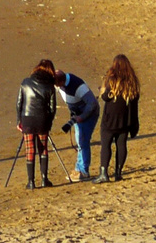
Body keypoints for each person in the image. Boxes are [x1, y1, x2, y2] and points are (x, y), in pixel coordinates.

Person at [51, 62, 101, 182]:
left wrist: (82, 117)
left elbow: (92, 103)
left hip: (88, 114)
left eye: (57, 85)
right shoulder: (60, 83)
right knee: (80, 141)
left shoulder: (78, 86)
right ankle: (79, 168)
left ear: (61, 83)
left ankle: (83, 171)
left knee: (83, 140)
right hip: (77, 113)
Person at [94, 54, 140, 182]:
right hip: (125, 119)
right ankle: (118, 173)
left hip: (110, 118)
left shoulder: (112, 79)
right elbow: (135, 102)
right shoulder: (132, 82)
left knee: (106, 144)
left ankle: (104, 173)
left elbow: (105, 97)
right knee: (121, 145)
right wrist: (134, 123)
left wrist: (102, 90)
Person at [17, 60, 59, 188]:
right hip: (42, 120)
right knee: (43, 148)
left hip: (27, 119)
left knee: (30, 149)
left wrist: (19, 120)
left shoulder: (25, 82)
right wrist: (49, 122)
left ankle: (31, 182)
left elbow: (19, 103)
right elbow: (52, 108)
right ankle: (44, 179)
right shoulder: (50, 86)